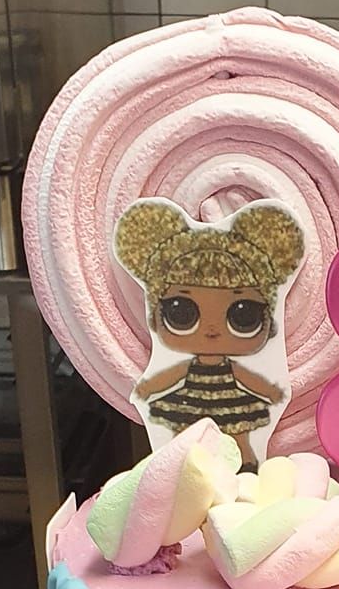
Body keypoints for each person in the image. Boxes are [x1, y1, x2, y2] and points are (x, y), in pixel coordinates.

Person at [113, 199, 305, 469]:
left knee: (238, 432)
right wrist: (149, 387)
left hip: (230, 400)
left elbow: (245, 377)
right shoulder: (189, 365)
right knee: (184, 434)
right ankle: (182, 463)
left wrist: (271, 391)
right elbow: (174, 374)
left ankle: (245, 458)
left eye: (243, 315)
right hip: (190, 400)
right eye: (181, 312)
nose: (212, 330)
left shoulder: (231, 367)